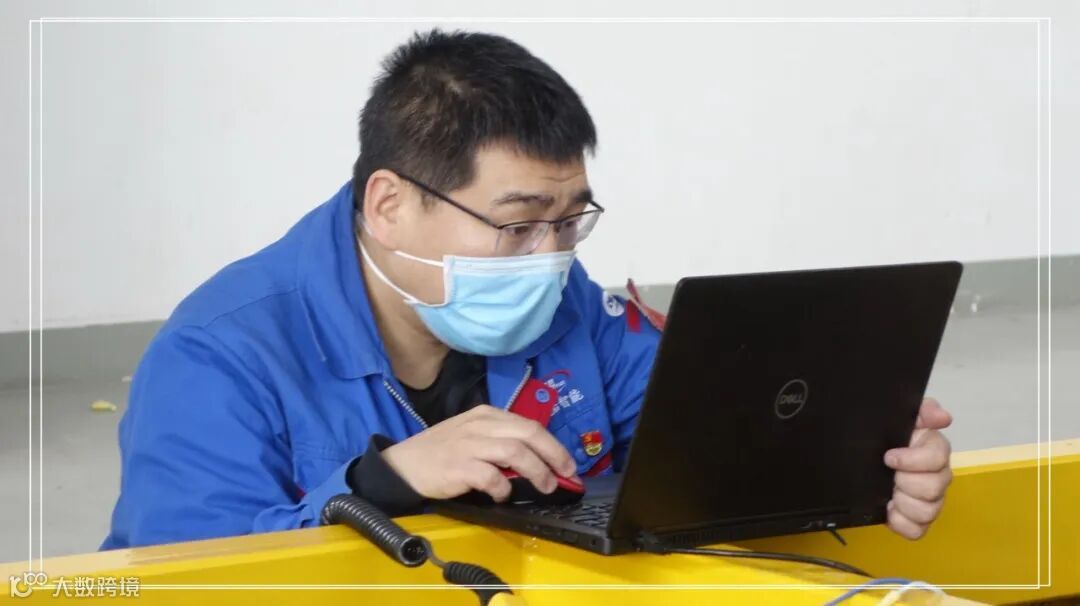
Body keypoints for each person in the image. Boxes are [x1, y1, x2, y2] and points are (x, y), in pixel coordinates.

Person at [102, 29, 953, 550]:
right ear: (389, 205)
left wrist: (844, 460)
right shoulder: (218, 356)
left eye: (570, 219)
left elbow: (693, 440)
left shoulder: (567, 301)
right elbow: (183, 578)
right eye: (516, 224)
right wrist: (380, 485)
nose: (550, 257)